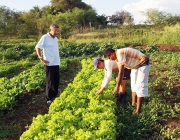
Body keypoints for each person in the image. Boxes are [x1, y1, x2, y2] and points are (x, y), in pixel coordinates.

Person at [104, 47, 150, 115]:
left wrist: (117, 87)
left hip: (143, 63)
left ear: (112, 54)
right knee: (133, 85)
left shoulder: (120, 53)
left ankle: (138, 111)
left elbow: (121, 72)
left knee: (140, 86)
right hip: (135, 66)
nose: (110, 59)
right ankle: (133, 104)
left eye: (109, 57)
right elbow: (120, 70)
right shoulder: (117, 58)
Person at [35, 24, 60, 105]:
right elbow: (37, 47)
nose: (57, 32)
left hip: (56, 62)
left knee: (56, 80)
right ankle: (48, 98)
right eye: (55, 30)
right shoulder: (45, 37)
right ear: (51, 29)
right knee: (50, 81)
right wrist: (41, 58)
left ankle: (55, 95)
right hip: (49, 63)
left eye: (57, 30)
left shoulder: (55, 38)